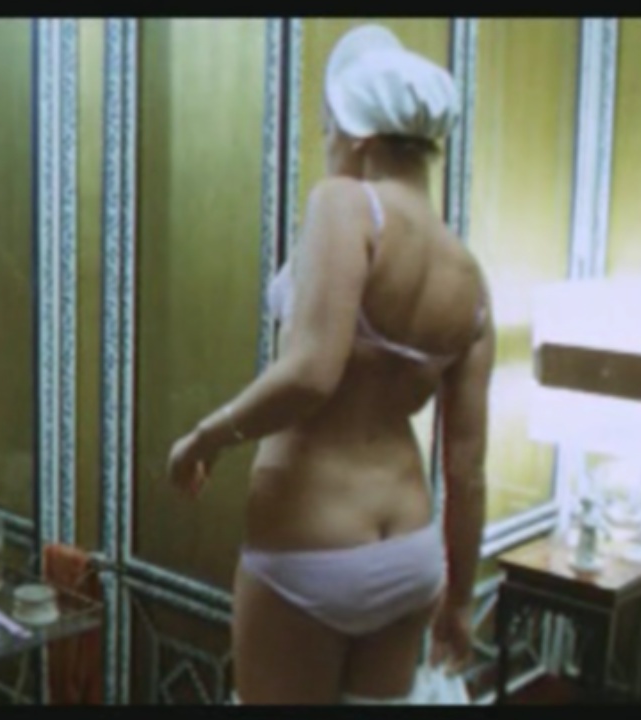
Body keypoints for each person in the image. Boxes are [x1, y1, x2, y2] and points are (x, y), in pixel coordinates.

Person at [165, 25, 493, 704]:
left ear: (360, 135)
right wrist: (460, 600)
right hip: (408, 552)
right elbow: (466, 470)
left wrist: (207, 435)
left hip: (309, 547)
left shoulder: (347, 204)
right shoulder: (470, 277)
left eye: (328, 129)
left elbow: (313, 375)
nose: (326, 144)